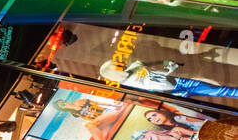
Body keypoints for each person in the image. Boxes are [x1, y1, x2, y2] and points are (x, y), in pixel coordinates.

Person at [100, 58, 238, 100]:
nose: (120, 63)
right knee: (213, 93)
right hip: (173, 93)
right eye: (116, 66)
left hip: (179, 82)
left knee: (217, 90)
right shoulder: (128, 87)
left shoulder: (135, 66)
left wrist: (168, 64)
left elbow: (156, 62)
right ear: (113, 72)